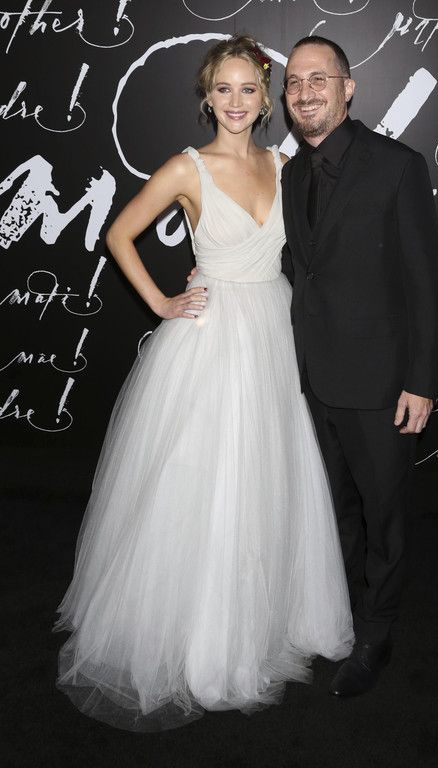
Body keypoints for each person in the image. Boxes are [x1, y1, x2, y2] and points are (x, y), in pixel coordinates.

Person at [53, 35, 353, 732]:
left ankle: (269, 621)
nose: (236, 102)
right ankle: (205, 642)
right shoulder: (186, 169)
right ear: (207, 97)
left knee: (270, 479)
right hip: (212, 338)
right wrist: (162, 302)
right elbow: (119, 235)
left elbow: (310, 252)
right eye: (224, 89)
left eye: (249, 89)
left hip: (274, 333)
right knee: (209, 485)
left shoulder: (286, 166)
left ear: (267, 100)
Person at [280, 36, 438, 698]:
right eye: (294, 82)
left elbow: (426, 283)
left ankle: (377, 634)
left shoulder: (398, 166)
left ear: (348, 89)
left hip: (381, 384)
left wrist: (421, 382)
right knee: (332, 515)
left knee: (385, 517)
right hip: (310, 378)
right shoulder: (291, 174)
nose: (305, 92)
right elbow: (300, 267)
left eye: (319, 79)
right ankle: (338, 618)